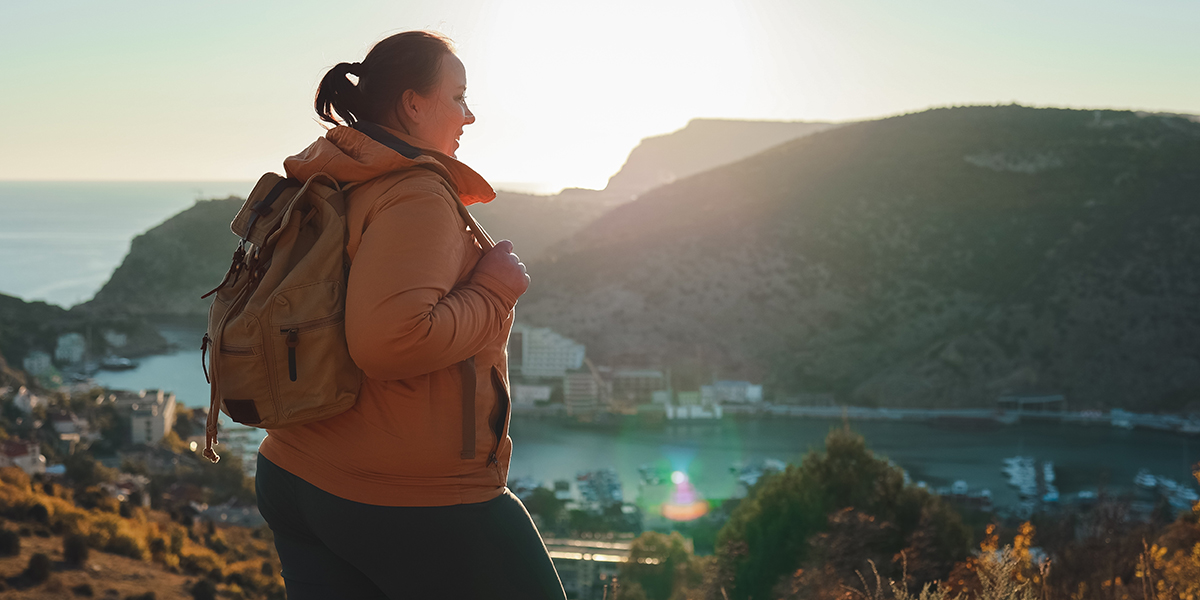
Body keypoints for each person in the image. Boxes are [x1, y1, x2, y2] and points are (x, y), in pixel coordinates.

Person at [253, 31, 566, 599]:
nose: (469, 117)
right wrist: (495, 292)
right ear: (413, 104)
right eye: (459, 98)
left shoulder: (333, 177)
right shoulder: (416, 193)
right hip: (403, 496)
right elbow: (389, 343)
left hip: (294, 470)